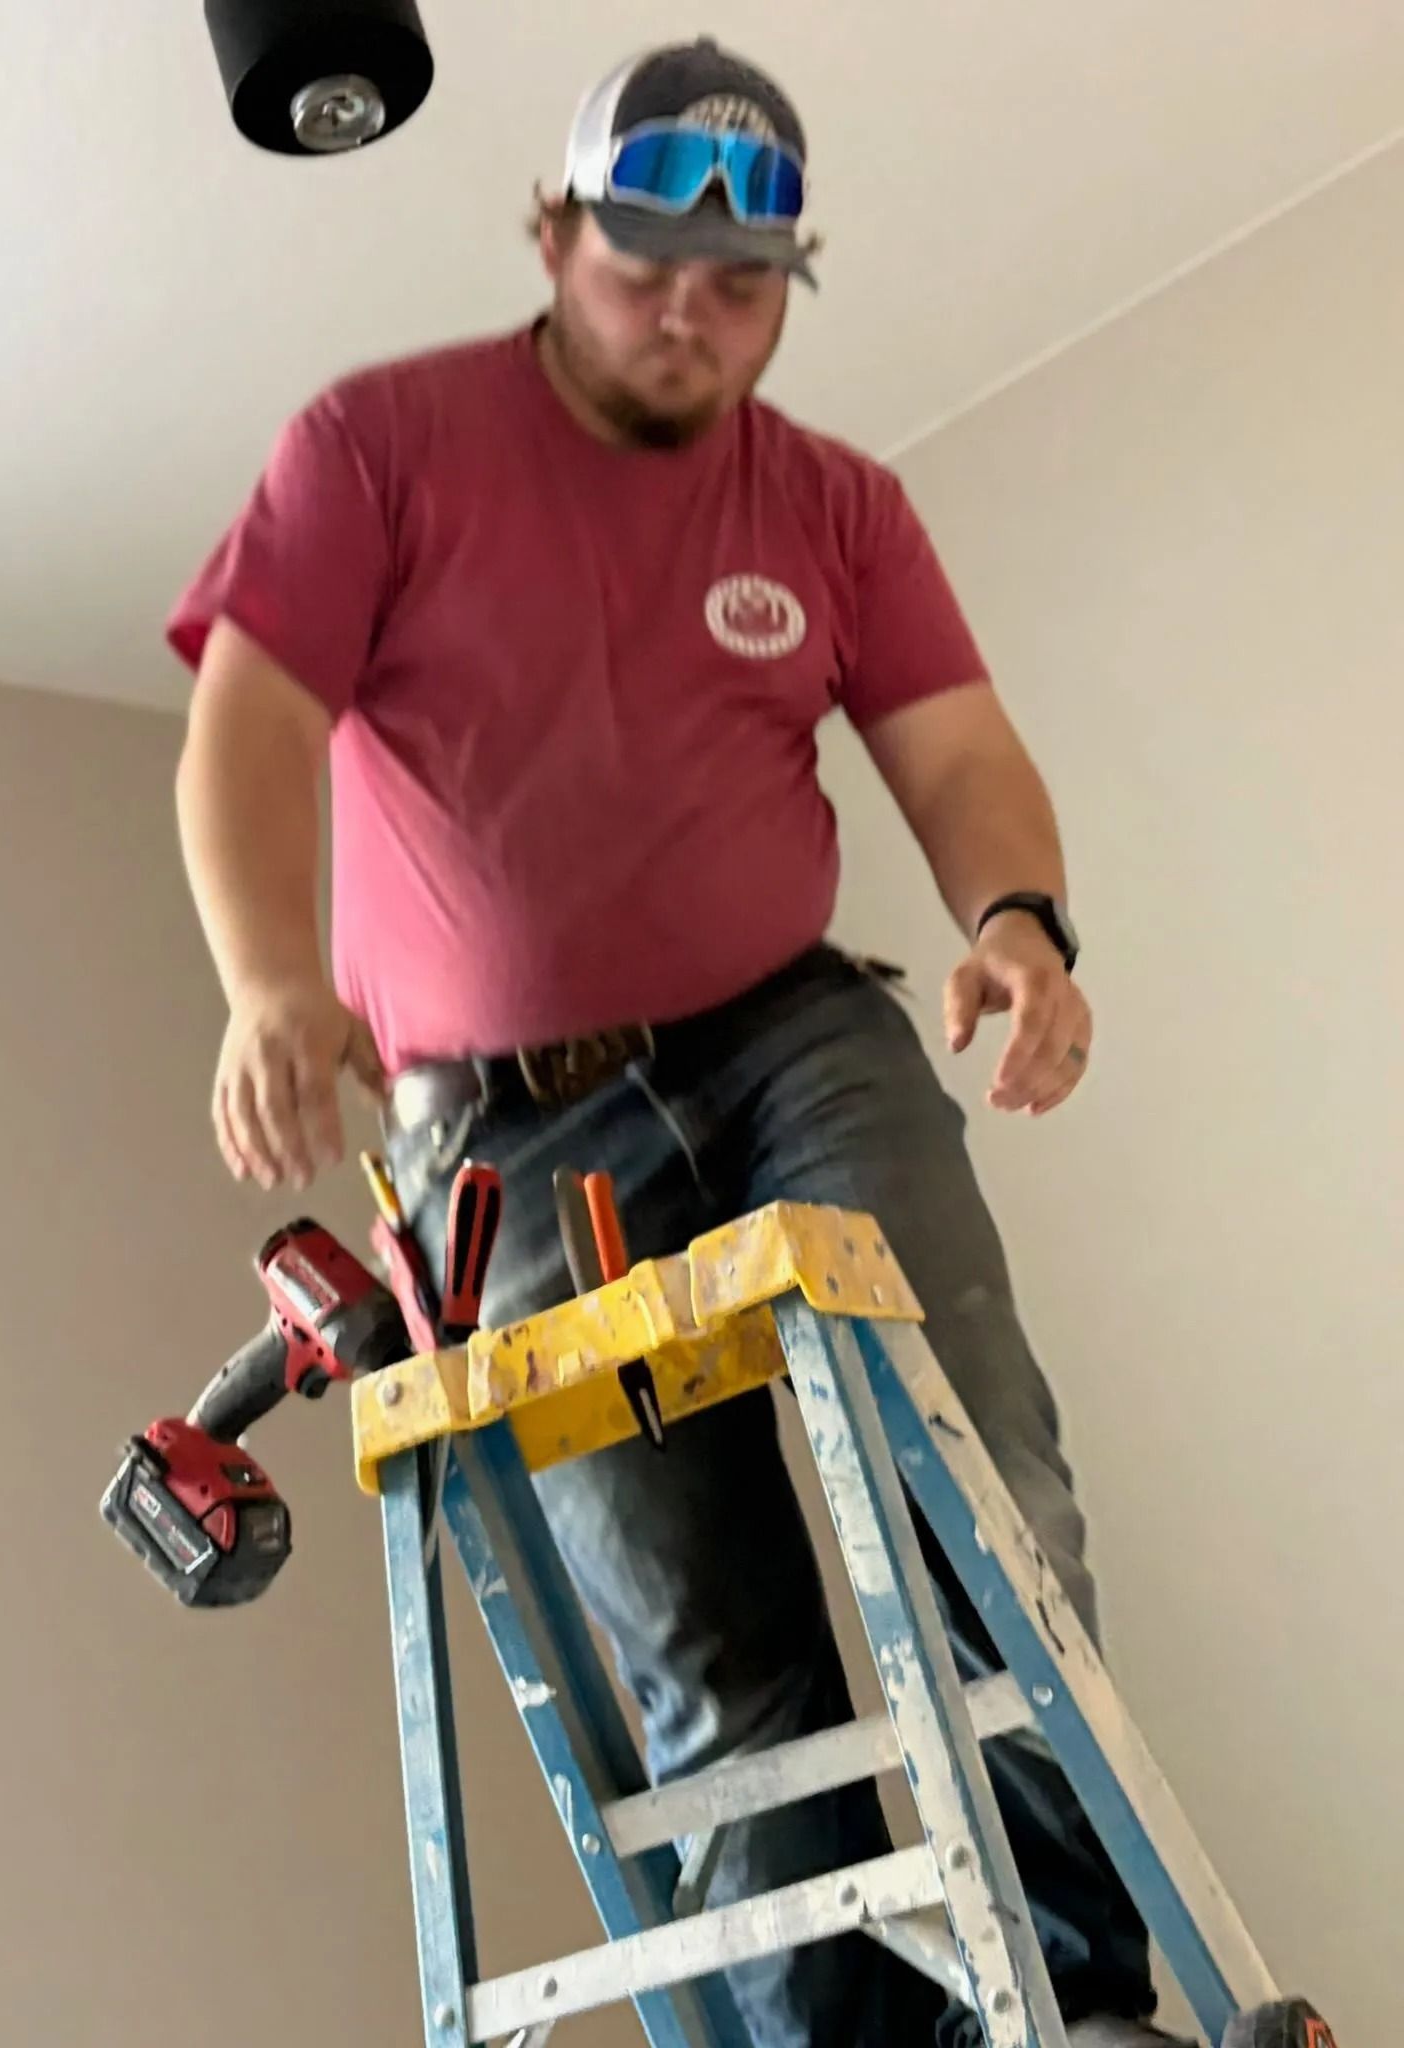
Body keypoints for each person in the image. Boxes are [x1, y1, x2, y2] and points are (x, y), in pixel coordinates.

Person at [167, 33, 1189, 2048]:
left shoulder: (833, 504)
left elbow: (959, 746)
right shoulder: (377, 448)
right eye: (642, 266)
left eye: (742, 287)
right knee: (711, 1655)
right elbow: (253, 722)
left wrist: (1020, 926)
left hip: (794, 1044)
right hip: (511, 1144)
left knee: (990, 1508)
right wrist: (272, 978)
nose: (688, 317)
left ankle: (1082, 2003)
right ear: (550, 234)